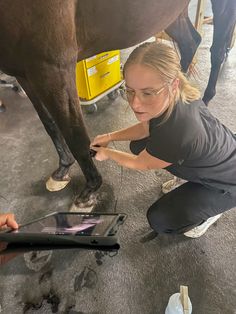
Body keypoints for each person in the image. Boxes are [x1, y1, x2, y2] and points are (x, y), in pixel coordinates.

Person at [90, 41, 236, 238]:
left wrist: (107, 153)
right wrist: (109, 136)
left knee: (159, 219)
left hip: (228, 182)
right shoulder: (177, 94)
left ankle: (209, 214)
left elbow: (141, 163)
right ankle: (192, 177)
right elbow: (145, 128)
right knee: (139, 145)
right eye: (130, 90)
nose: (135, 102)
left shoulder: (177, 131)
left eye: (148, 93)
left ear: (173, 84)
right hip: (218, 155)